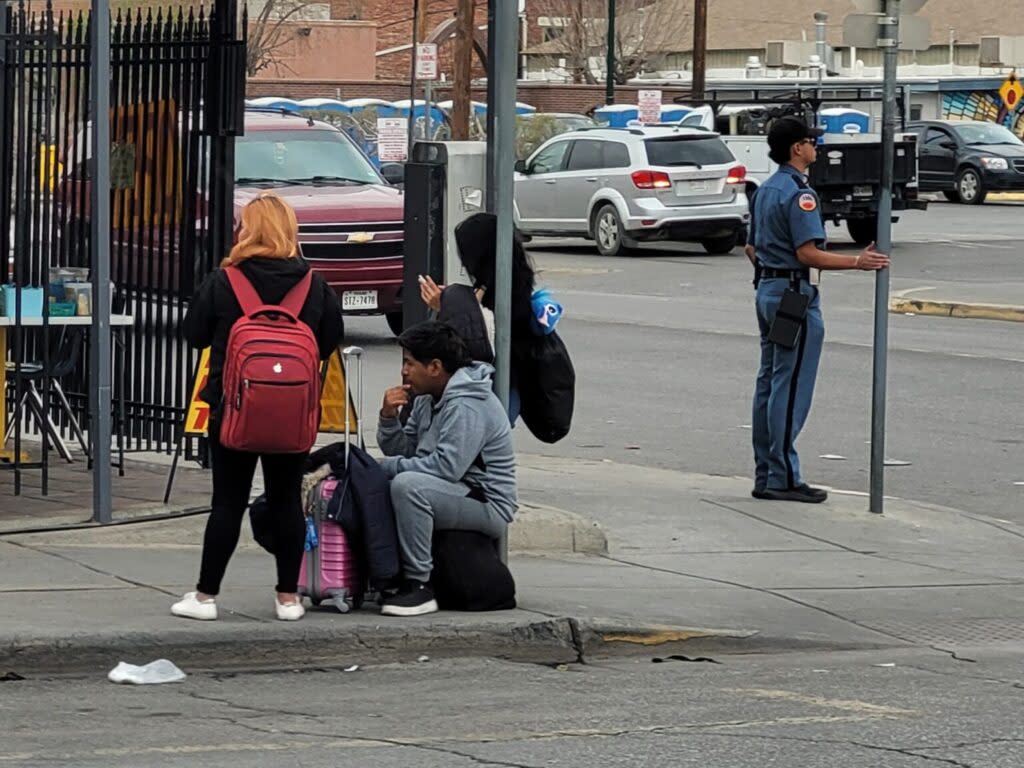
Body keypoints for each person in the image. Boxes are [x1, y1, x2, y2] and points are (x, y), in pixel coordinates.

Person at [172, 193, 344, 621]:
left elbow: (193, 335)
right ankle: (288, 598)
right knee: (286, 500)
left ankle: (205, 596)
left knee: (227, 502)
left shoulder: (223, 281)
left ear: (247, 230)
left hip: (232, 410)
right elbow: (328, 342)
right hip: (292, 415)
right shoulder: (314, 286)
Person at [746, 117, 890, 504]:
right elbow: (807, 253)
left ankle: (766, 472)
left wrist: (770, 274)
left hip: (768, 290)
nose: (817, 148)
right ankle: (783, 477)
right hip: (793, 295)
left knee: (771, 382)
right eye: (812, 141)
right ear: (797, 148)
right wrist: (857, 263)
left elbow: (751, 248)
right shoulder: (798, 193)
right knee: (791, 387)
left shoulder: (765, 189)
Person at [376, 321, 518, 617]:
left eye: (409, 363)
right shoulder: (427, 398)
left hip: (487, 502)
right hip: (455, 491)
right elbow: (406, 451)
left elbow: (445, 469)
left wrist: (387, 467)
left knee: (408, 487)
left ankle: (419, 586)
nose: (403, 371)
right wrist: (388, 418)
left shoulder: (466, 404)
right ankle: (389, 577)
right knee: (395, 481)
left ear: (435, 367)